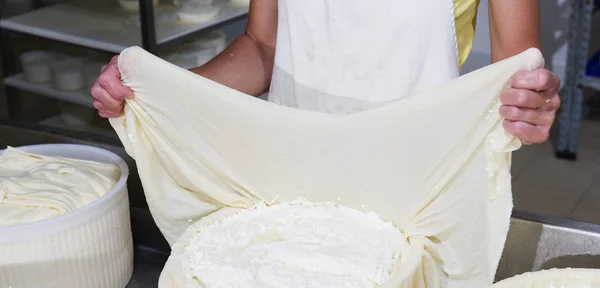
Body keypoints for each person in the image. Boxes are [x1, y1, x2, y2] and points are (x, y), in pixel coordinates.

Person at [92, 0, 560, 145]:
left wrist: (529, 106)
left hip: (416, 175)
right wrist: (162, 87)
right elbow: (263, 45)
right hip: (293, 167)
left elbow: (516, 78)